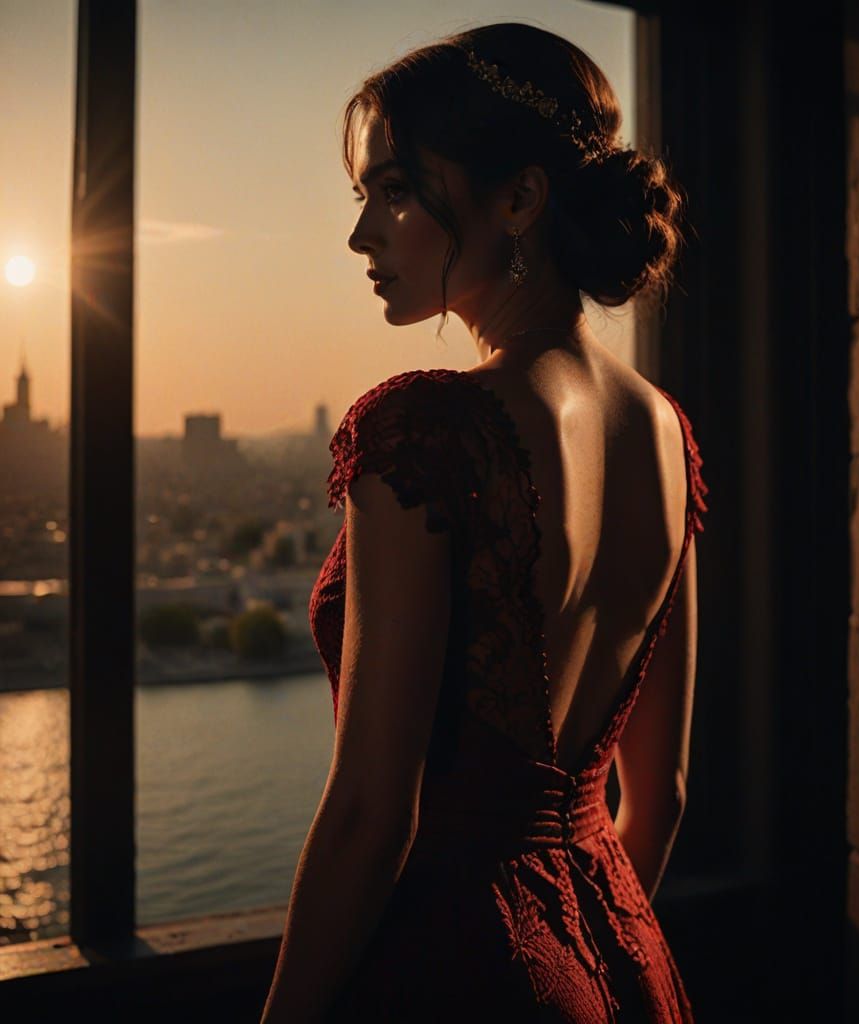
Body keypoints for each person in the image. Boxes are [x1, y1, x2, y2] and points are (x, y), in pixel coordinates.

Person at [260, 21, 708, 1023]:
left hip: (456, 971)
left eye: (398, 188)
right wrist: (584, 953)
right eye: (365, 193)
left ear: (518, 200)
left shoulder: (426, 432)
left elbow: (373, 816)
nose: (363, 232)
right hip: (621, 957)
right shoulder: (666, 433)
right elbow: (661, 794)